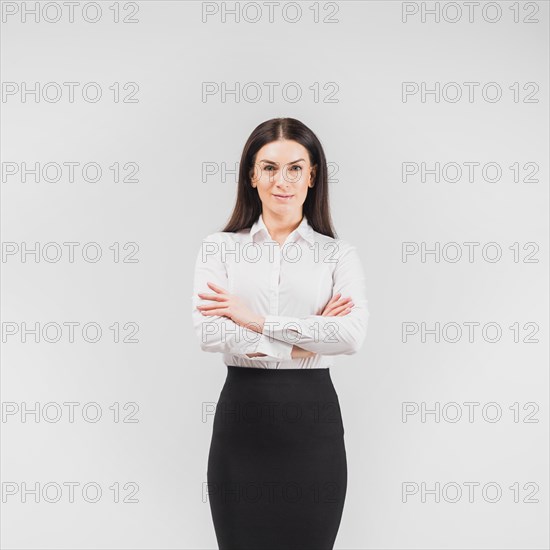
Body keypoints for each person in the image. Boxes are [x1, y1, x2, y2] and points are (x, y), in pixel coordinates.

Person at [192, 117, 369, 550]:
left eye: (295, 168)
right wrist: (308, 337)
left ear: (312, 175)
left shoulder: (337, 255)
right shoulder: (220, 248)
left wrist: (254, 321)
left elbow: (350, 337)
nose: (281, 180)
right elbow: (210, 332)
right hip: (243, 424)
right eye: (269, 167)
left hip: (313, 428)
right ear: (251, 175)